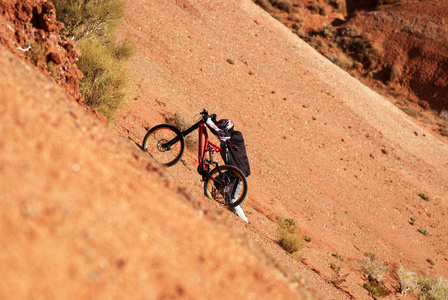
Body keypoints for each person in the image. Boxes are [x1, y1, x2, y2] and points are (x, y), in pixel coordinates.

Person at [205, 114, 251, 223]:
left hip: (239, 172)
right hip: (232, 171)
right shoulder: (228, 138)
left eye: (222, 128)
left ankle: (245, 222)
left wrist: (208, 121)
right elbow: (219, 132)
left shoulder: (236, 135)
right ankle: (228, 204)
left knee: (232, 200)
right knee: (217, 182)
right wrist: (213, 121)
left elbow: (220, 133)